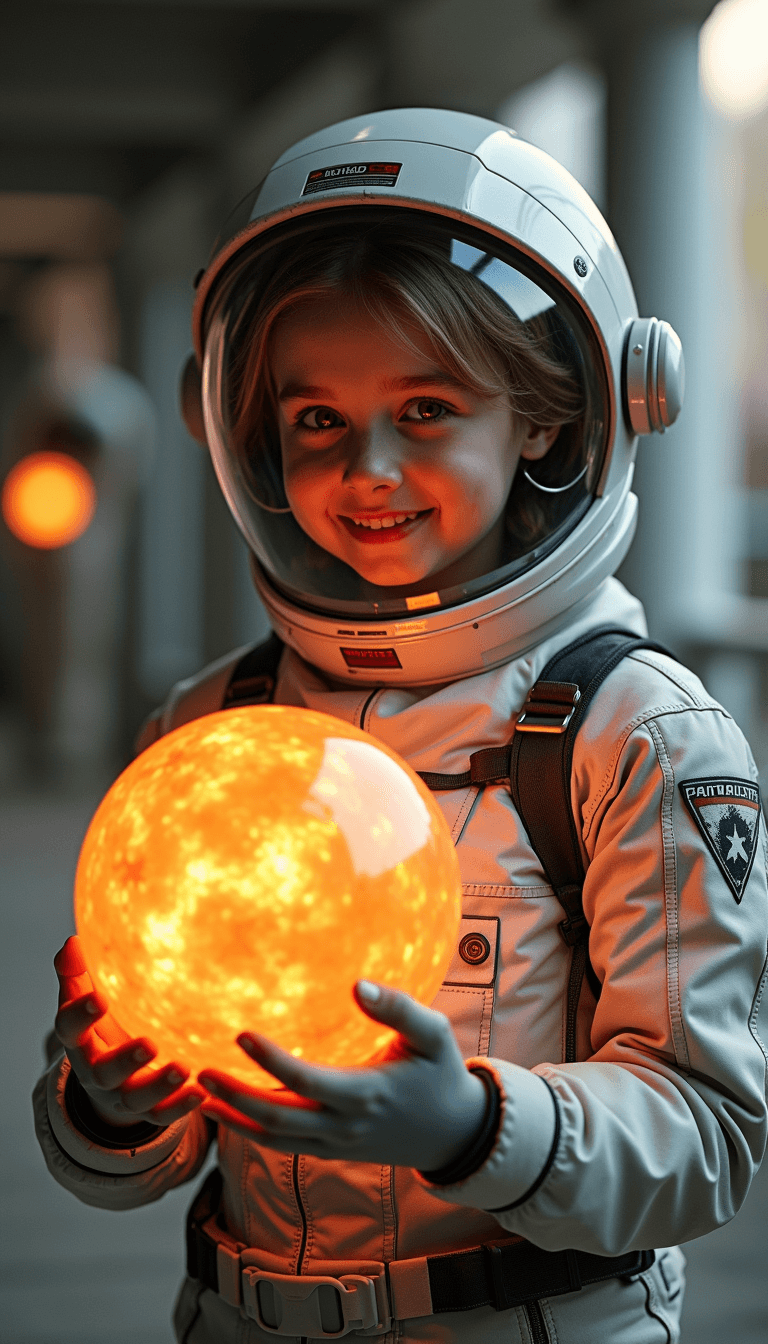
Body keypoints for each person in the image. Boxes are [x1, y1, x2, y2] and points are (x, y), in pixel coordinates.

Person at [34, 108, 767, 1344]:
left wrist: (473, 1127)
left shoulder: (630, 733)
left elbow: (711, 1140)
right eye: (316, 419)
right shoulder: (218, 728)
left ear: (547, 417)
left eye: (425, 409)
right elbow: (131, 1156)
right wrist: (111, 1102)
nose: (366, 466)